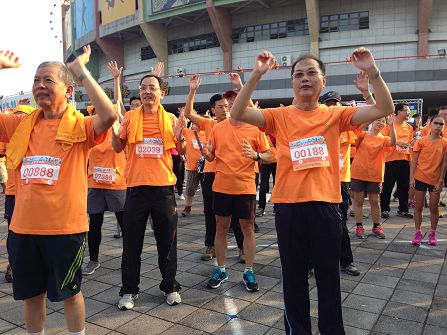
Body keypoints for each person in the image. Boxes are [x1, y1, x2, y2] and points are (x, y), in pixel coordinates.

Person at [230, 48, 394, 334]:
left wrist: (372, 70)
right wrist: (256, 74)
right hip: (289, 207)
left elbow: (384, 108)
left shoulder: (337, 115)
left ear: (323, 80)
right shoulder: (278, 116)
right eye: (298, 75)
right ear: (292, 82)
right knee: (293, 279)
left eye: (311, 73)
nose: (304, 78)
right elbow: (238, 112)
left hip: (326, 206)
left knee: (329, 278)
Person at [0, 46, 116, 335]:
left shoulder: (81, 126)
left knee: (69, 293)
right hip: (23, 228)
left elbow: (110, 114)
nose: (40, 85)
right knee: (30, 296)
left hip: (65, 230)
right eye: (36, 80)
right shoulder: (19, 124)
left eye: (48, 80)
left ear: (68, 89)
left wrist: (81, 70)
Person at [112, 73, 185, 309]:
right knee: (132, 243)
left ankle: (170, 286)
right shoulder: (131, 117)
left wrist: (181, 137)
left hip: (163, 189)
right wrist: (115, 130)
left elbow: (181, 150)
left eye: (152, 87)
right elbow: (117, 146)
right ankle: (128, 290)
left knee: (167, 242)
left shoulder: (170, 118)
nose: (147, 91)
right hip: (135, 189)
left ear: (161, 92)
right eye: (143, 88)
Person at [202, 113, 271, 292]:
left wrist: (256, 155)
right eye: (230, 101)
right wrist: (207, 154)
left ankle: (249, 271)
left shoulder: (255, 128)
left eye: (236, 100)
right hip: (221, 186)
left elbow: (270, 154)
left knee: (247, 227)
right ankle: (221, 269)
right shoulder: (218, 128)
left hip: (245, 186)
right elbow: (210, 157)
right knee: (221, 227)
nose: (233, 104)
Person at [83, 60, 127, 275]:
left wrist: (117, 79)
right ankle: (93, 259)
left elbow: (118, 104)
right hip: (95, 184)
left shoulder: (116, 127)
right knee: (95, 224)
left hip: (117, 183)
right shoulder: (88, 131)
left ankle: (130, 255)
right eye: (94, 112)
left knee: (123, 221)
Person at [1, 105, 35, 284]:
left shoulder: (37, 138)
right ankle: (13, 265)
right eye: (16, 118)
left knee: (35, 233)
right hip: (13, 193)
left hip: (33, 193)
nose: (18, 122)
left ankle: (33, 265)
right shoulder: (7, 139)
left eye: (23, 118)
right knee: (13, 234)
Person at [351, 117, 396, 239]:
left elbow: (393, 142)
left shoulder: (384, 139)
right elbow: (355, 134)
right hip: (358, 173)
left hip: (375, 175)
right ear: (372, 121)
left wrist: (392, 126)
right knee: (358, 201)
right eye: (378, 120)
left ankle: (376, 227)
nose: (380, 123)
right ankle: (359, 226)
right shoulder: (363, 135)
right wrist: (369, 116)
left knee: (375, 202)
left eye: (383, 121)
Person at [410, 115, 447, 246]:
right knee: (418, 207)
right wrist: (411, 178)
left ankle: (432, 232)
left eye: (441, 124)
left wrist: (441, 181)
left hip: (435, 180)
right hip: (420, 177)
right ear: (430, 124)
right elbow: (414, 160)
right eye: (436, 123)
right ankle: (417, 232)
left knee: (433, 208)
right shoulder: (421, 141)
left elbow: (444, 163)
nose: (438, 126)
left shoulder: (444, 142)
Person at [380, 103, 414, 219]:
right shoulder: (388, 125)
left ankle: (403, 209)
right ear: (399, 112)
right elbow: (382, 139)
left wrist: (411, 144)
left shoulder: (409, 127)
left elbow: (410, 140)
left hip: (404, 160)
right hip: (390, 160)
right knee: (387, 186)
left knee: (404, 187)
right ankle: (384, 209)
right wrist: (397, 142)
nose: (409, 113)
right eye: (407, 110)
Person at [181, 121, 206, 216]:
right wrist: (184, 119)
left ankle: (207, 207)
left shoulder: (206, 133)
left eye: (197, 123)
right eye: (194, 123)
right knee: (190, 189)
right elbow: (180, 128)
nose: (196, 125)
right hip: (192, 167)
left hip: (205, 167)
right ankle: (188, 207)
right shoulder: (188, 132)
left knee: (206, 189)